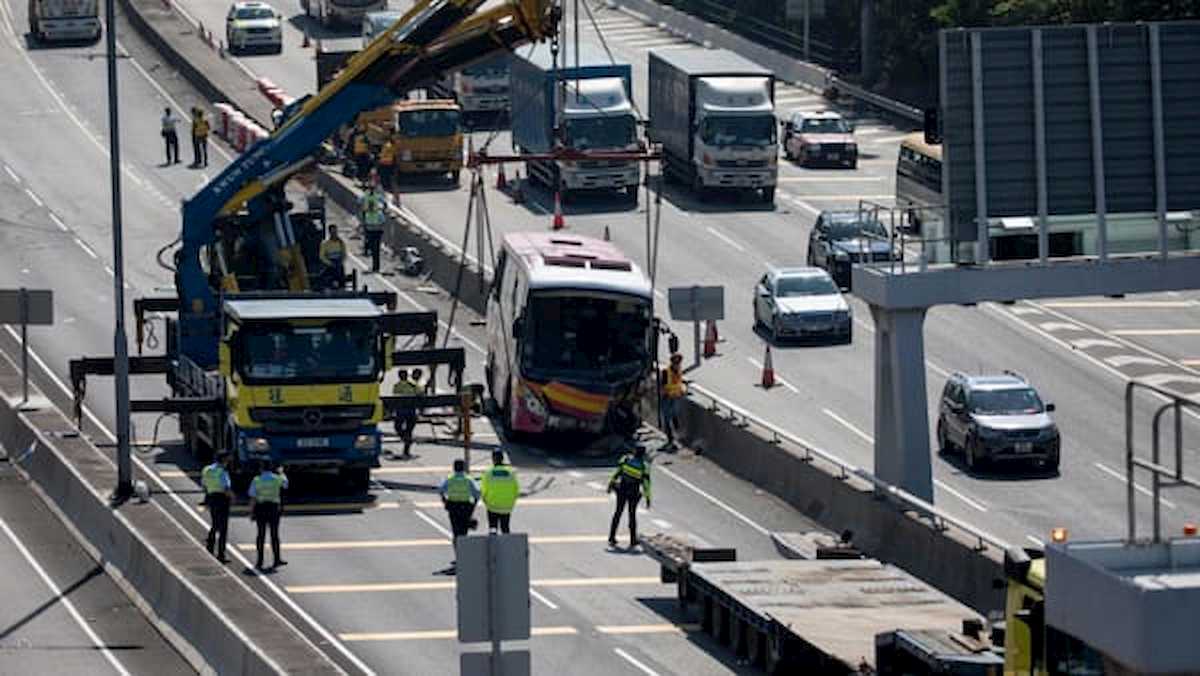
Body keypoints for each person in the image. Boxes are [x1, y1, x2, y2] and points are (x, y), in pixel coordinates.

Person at [608, 444, 651, 549]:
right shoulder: (644, 466)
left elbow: (617, 473)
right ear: (643, 454)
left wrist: (610, 485)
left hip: (621, 491)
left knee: (618, 513)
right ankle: (632, 540)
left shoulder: (626, 459)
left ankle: (611, 537)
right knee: (632, 515)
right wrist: (648, 498)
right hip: (633, 493)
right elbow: (646, 484)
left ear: (634, 452)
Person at [248, 462, 289, 571]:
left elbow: (252, 497)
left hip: (260, 508)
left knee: (260, 535)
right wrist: (281, 473)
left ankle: (259, 561)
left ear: (261, 469)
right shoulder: (277, 478)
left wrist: (251, 512)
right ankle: (277, 559)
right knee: (274, 534)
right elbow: (286, 484)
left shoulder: (256, 480)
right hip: (274, 508)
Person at [439, 460, 479, 569]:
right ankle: (464, 557)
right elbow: (477, 493)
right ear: (464, 468)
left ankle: (459, 557)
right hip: (465, 509)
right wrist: (473, 506)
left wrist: (445, 501)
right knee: (464, 534)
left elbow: (441, 490)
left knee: (456, 534)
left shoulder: (449, 479)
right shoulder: (469, 480)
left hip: (453, 509)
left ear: (454, 468)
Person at [202, 451, 234, 562]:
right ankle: (221, 554)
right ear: (224, 461)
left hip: (211, 497)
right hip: (222, 499)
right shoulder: (223, 472)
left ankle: (210, 545)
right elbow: (226, 488)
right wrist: (232, 497)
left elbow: (204, 484)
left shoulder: (207, 470)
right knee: (223, 528)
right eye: (227, 460)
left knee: (215, 523)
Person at [480, 450, 519, 533]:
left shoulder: (488, 474)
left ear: (493, 459)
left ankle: (493, 544)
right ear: (503, 459)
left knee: (493, 528)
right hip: (507, 506)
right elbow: (516, 490)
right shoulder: (511, 473)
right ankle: (507, 544)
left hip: (492, 506)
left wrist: (485, 501)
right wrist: (511, 502)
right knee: (505, 527)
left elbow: (483, 490)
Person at [391, 368, 421, 459]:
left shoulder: (396, 386)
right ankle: (406, 450)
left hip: (401, 412)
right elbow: (420, 394)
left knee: (398, 428)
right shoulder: (413, 385)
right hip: (411, 412)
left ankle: (405, 439)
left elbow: (394, 399)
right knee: (409, 431)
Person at [359, 181, 387, 273]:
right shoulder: (376, 196)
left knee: (373, 247)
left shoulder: (366, 196)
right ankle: (376, 266)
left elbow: (359, 203)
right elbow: (385, 204)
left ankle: (375, 266)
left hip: (371, 224)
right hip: (375, 224)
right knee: (375, 248)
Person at [660, 353, 686, 449]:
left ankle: (677, 437)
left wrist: (681, 390)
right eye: (677, 363)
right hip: (667, 398)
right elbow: (663, 387)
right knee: (667, 419)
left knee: (675, 417)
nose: (678, 365)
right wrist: (667, 394)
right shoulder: (666, 372)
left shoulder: (678, 369)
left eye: (679, 363)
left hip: (676, 397)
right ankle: (670, 440)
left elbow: (679, 381)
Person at [318, 224, 346, 289]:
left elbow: (344, 254)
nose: (334, 234)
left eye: (335, 232)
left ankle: (341, 286)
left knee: (340, 271)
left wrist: (341, 261)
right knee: (325, 275)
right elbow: (321, 256)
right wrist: (330, 263)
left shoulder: (341, 243)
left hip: (338, 263)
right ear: (330, 232)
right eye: (332, 232)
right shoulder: (325, 243)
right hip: (329, 264)